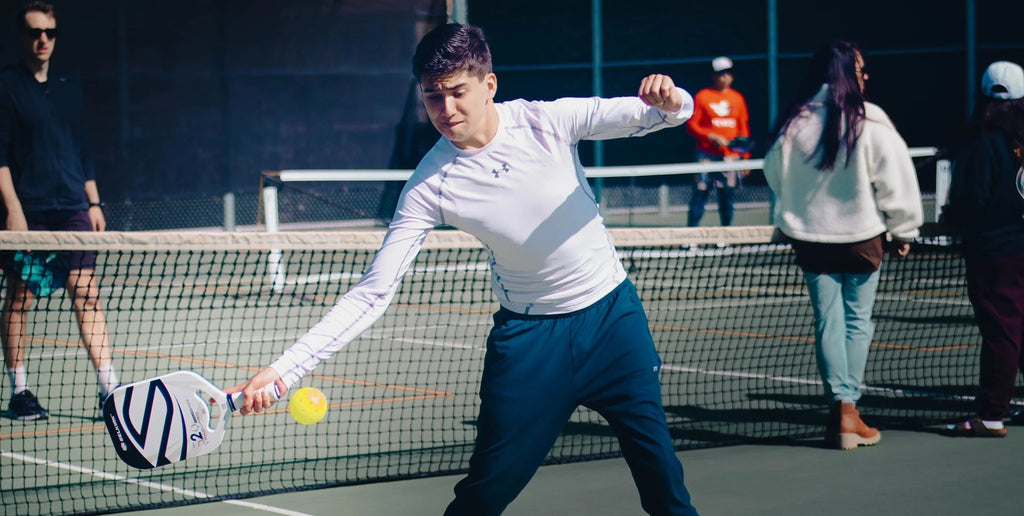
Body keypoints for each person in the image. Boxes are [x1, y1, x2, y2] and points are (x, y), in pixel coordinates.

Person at [230, 23, 700, 515]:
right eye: (433, 96)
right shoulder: (430, 185)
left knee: (662, 478)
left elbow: (661, 115)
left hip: (613, 323)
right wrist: (283, 372)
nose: (447, 109)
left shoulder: (549, 122)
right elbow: (373, 293)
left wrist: (671, 100)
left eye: (458, 91)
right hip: (528, 344)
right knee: (486, 492)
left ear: (489, 85)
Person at [762, 41, 923, 450]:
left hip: (811, 241)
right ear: (849, 76)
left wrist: (793, 213)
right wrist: (904, 230)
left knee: (829, 323)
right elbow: (897, 180)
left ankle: (842, 411)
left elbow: (773, 172)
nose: (866, 78)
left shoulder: (794, 122)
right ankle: (849, 412)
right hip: (863, 241)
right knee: (857, 323)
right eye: (861, 71)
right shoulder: (871, 121)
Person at [0, 1, 120, 420]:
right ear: (22, 36)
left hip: (72, 209)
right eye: (35, 32)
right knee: (20, 299)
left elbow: (81, 149)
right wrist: (13, 210)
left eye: (49, 32)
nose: (43, 40)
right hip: (29, 212)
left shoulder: (69, 87)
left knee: (86, 293)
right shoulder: (6, 86)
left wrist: (93, 201)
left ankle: (110, 391)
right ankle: (21, 392)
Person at [942, 60, 1024, 437]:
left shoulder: (982, 141)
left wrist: (951, 219)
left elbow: (972, 200)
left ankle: (991, 414)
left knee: (1001, 332)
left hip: (995, 253)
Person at [685, 56, 751, 227]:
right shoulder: (702, 97)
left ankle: (725, 237)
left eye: (728, 73)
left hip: (730, 158)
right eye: (721, 73)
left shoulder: (738, 98)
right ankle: (691, 238)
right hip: (706, 157)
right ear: (714, 76)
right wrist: (709, 136)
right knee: (699, 196)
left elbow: (743, 129)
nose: (725, 77)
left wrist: (745, 158)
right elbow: (691, 125)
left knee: (727, 198)